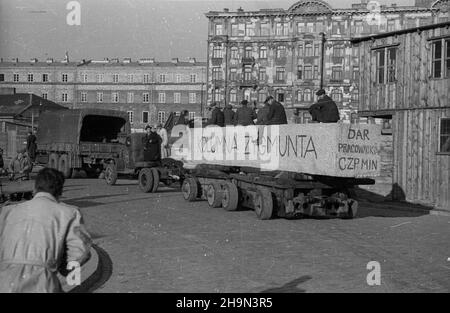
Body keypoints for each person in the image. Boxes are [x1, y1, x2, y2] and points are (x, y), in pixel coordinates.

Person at [0, 168, 92, 293]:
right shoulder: (69, 213)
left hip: (4, 282)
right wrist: (68, 275)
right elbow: (79, 253)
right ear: (60, 192)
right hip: (42, 283)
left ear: (35, 189)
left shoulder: (7, 212)